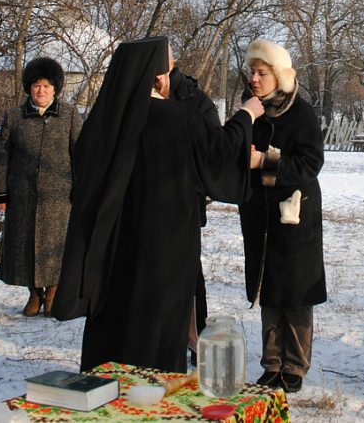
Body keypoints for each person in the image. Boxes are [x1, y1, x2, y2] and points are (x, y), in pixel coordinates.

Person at [51, 35, 264, 373]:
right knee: (157, 323)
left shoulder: (105, 122)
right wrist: (246, 115)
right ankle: (154, 388)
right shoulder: (178, 118)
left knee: (116, 316)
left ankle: (105, 378)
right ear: (159, 75)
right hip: (166, 245)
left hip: (114, 243)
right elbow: (218, 155)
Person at [240, 39, 327, 394]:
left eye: (262, 73)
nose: (255, 79)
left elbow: (311, 163)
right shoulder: (252, 111)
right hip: (260, 216)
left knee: (295, 291)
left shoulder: (302, 113)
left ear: (278, 76)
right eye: (252, 73)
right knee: (269, 289)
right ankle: (272, 362)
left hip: (295, 215)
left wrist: (265, 161)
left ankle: (295, 364)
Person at [0, 56, 82, 316]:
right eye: (36, 85)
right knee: (25, 246)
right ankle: (34, 293)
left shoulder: (69, 115)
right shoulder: (14, 116)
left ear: (55, 88)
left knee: (55, 247)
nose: (41, 91)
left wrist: (80, 188)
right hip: (23, 195)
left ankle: (52, 293)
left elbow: (80, 153)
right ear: (29, 88)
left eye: (46, 86)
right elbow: (2, 156)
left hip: (58, 196)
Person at [169, 62, 222, 361]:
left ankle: (193, 338)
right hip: (148, 204)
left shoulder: (194, 99)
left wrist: (199, 187)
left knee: (189, 272)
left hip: (185, 199)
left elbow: (213, 148)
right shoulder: (139, 94)